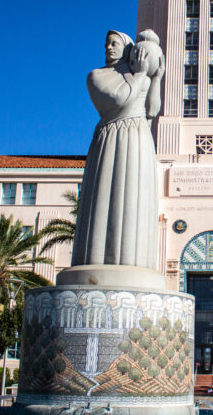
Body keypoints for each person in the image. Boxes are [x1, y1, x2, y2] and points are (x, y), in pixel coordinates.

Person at [71, 29, 165, 268]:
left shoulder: (139, 75)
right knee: (106, 193)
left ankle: (136, 265)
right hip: (113, 136)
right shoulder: (98, 76)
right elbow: (119, 101)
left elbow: (152, 111)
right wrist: (142, 74)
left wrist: (156, 79)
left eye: (114, 44)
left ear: (128, 49)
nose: (109, 48)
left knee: (136, 194)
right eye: (107, 45)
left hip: (139, 137)